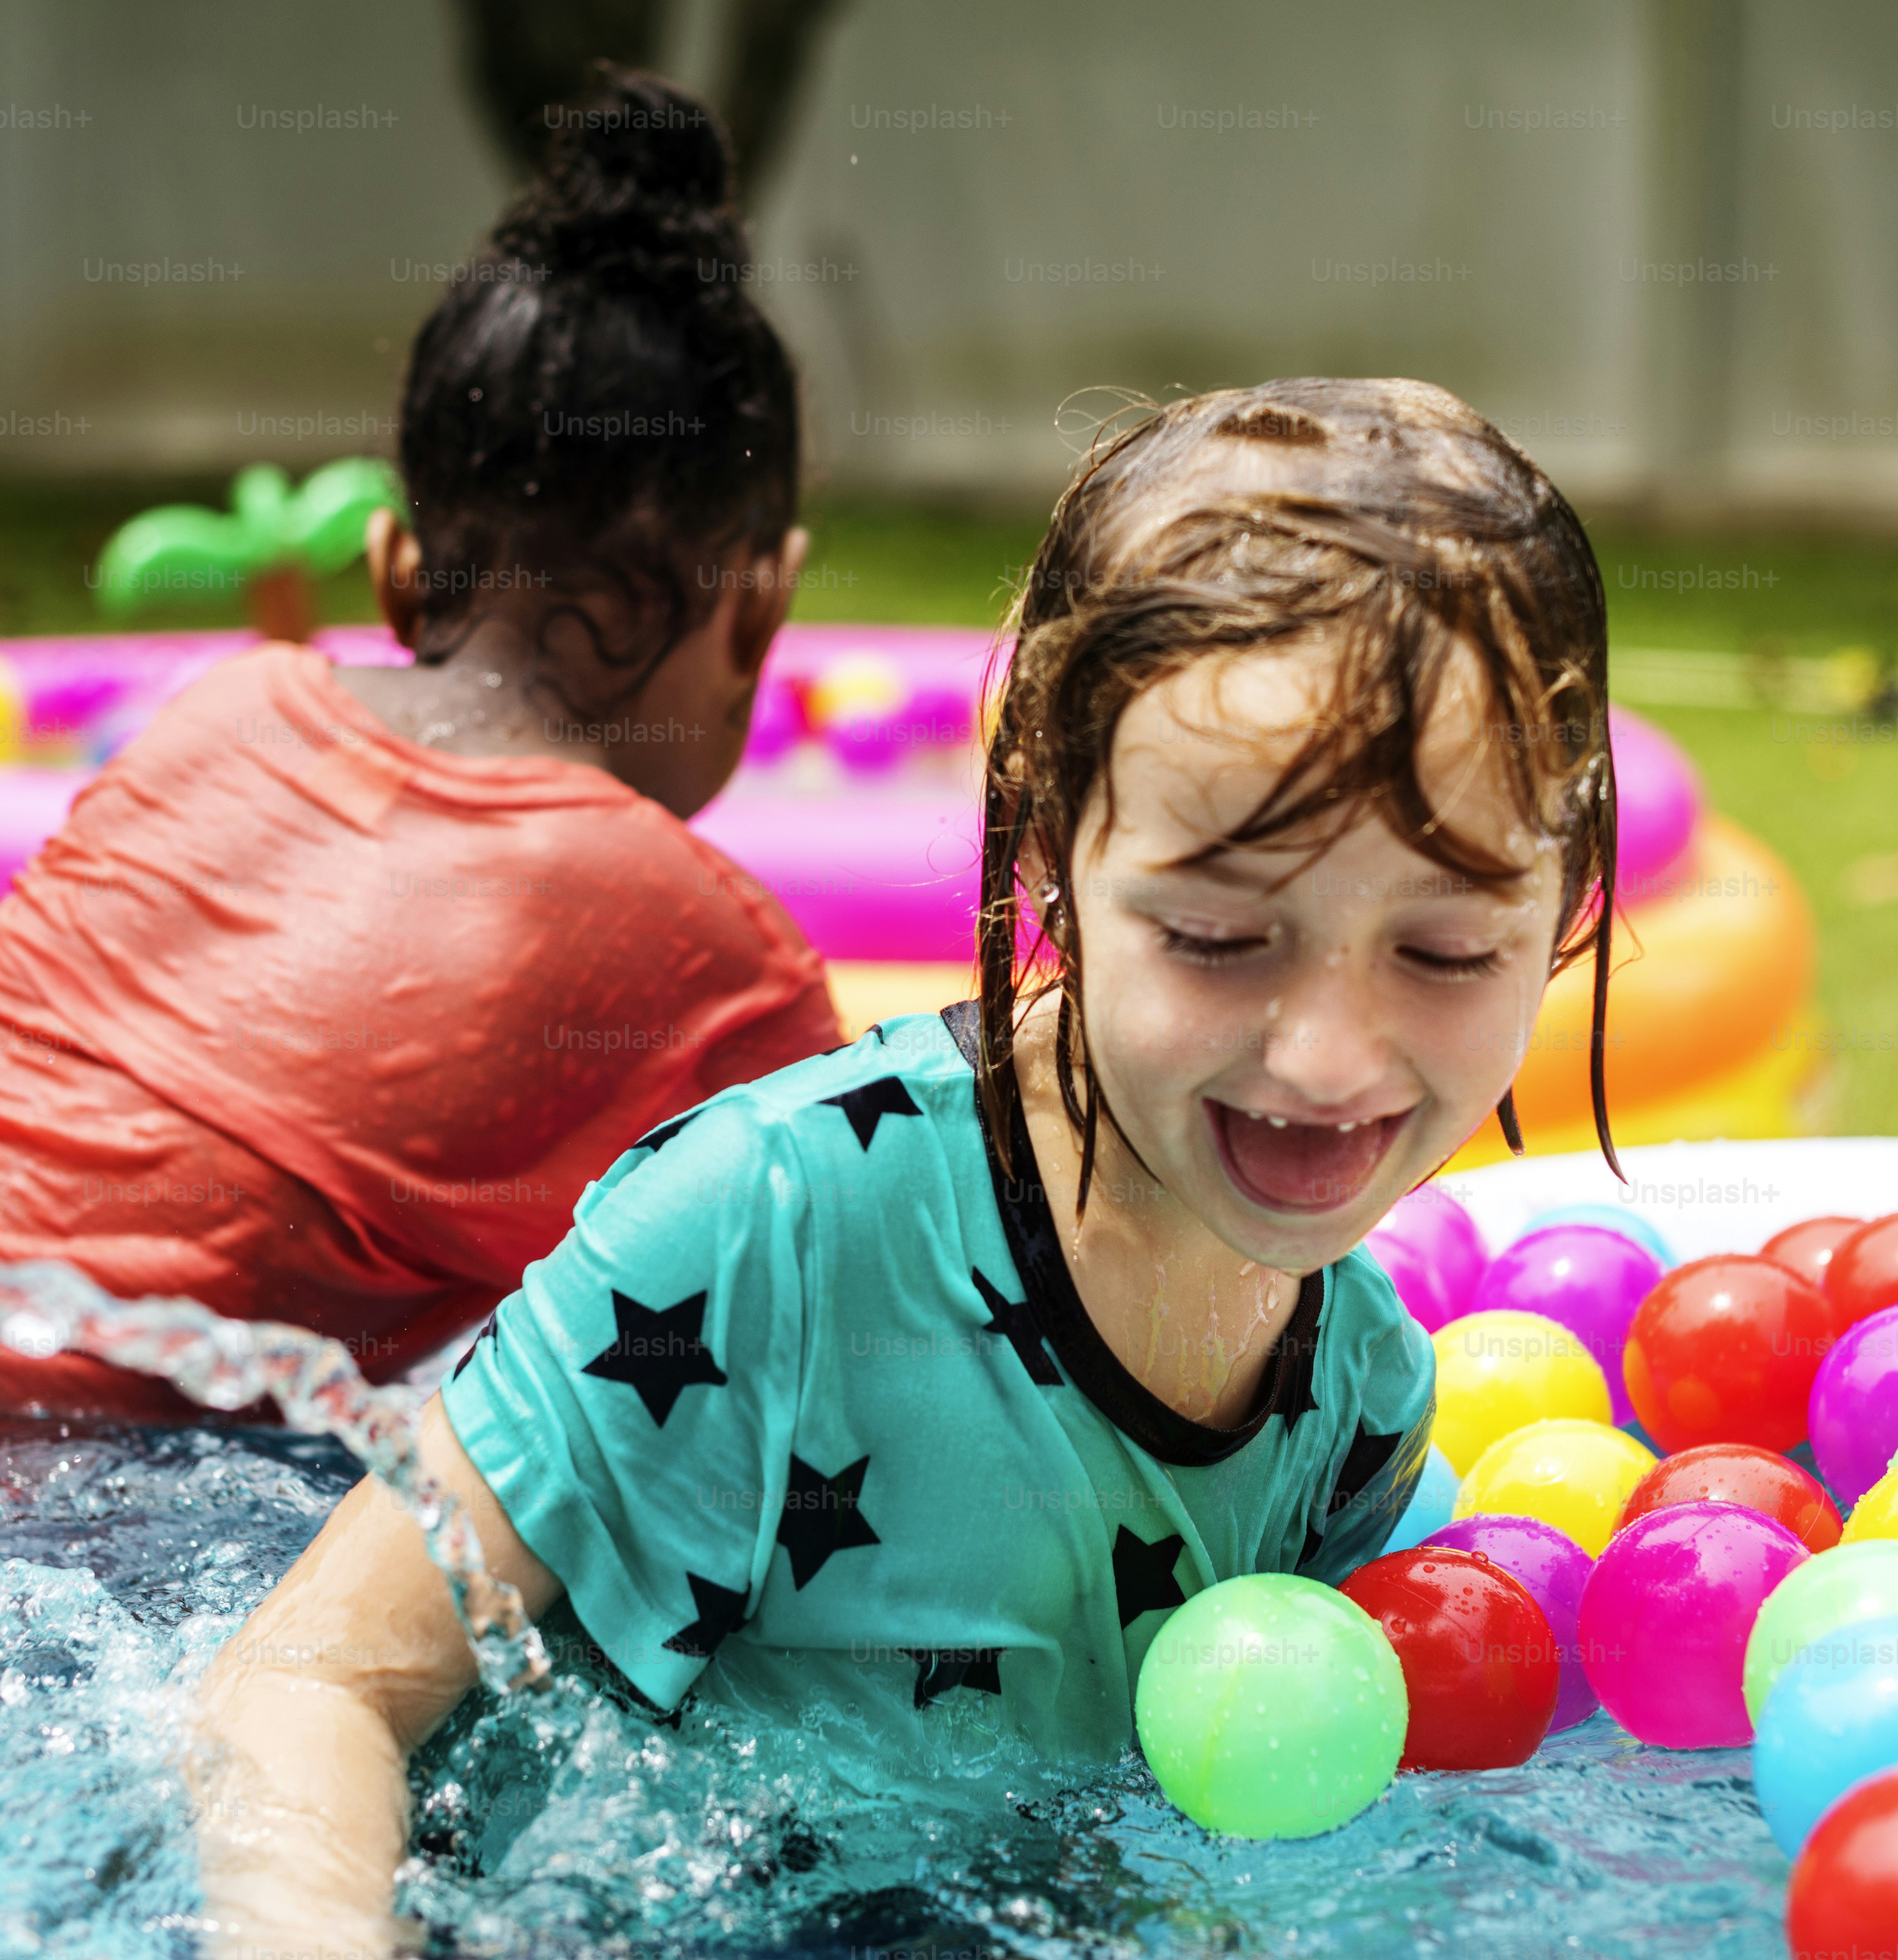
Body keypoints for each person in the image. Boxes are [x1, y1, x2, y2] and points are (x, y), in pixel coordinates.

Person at [185, 376, 1624, 1955]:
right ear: (1047, 858)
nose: (1328, 1058)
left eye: (1441, 948)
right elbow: (305, 1681)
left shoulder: (1351, 1398)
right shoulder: (773, 1230)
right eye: (1216, 939)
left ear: (1568, 905)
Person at [0, 68, 844, 1486]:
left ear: (397, 573)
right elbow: (870, 1336)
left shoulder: (237, 704)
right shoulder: (712, 962)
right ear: (761, 606)